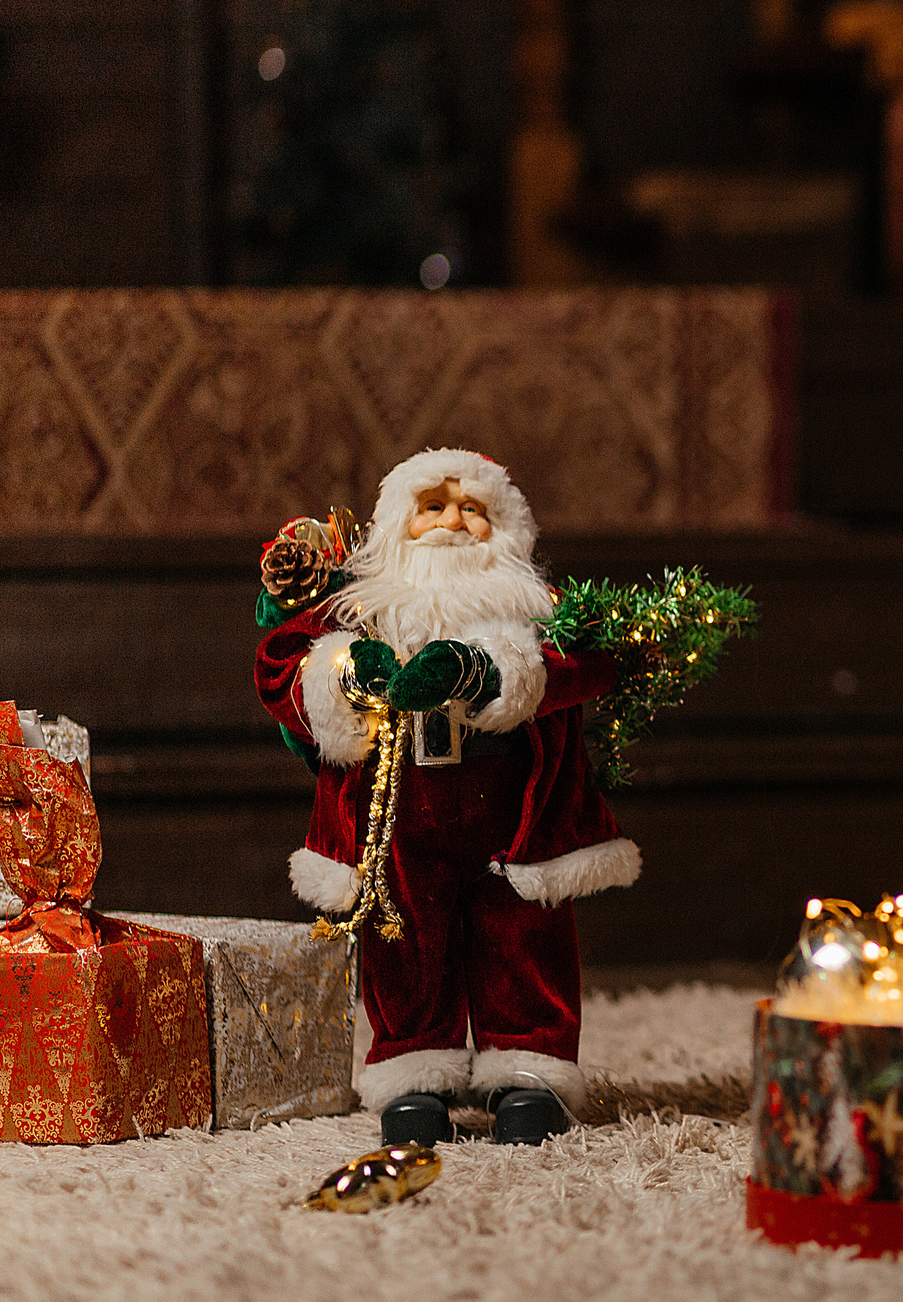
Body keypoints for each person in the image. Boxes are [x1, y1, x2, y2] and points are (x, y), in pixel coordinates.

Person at [255, 448, 639, 1146]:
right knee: (404, 936)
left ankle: (530, 1069)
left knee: (524, 935)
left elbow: (593, 656)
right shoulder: (361, 605)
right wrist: (343, 673)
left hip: (512, 807)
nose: (453, 522)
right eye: (433, 505)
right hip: (399, 809)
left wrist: (490, 670)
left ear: (509, 526)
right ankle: (414, 1069)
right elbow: (278, 665)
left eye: (474, 509)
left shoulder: (533, 607)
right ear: (399, 520)